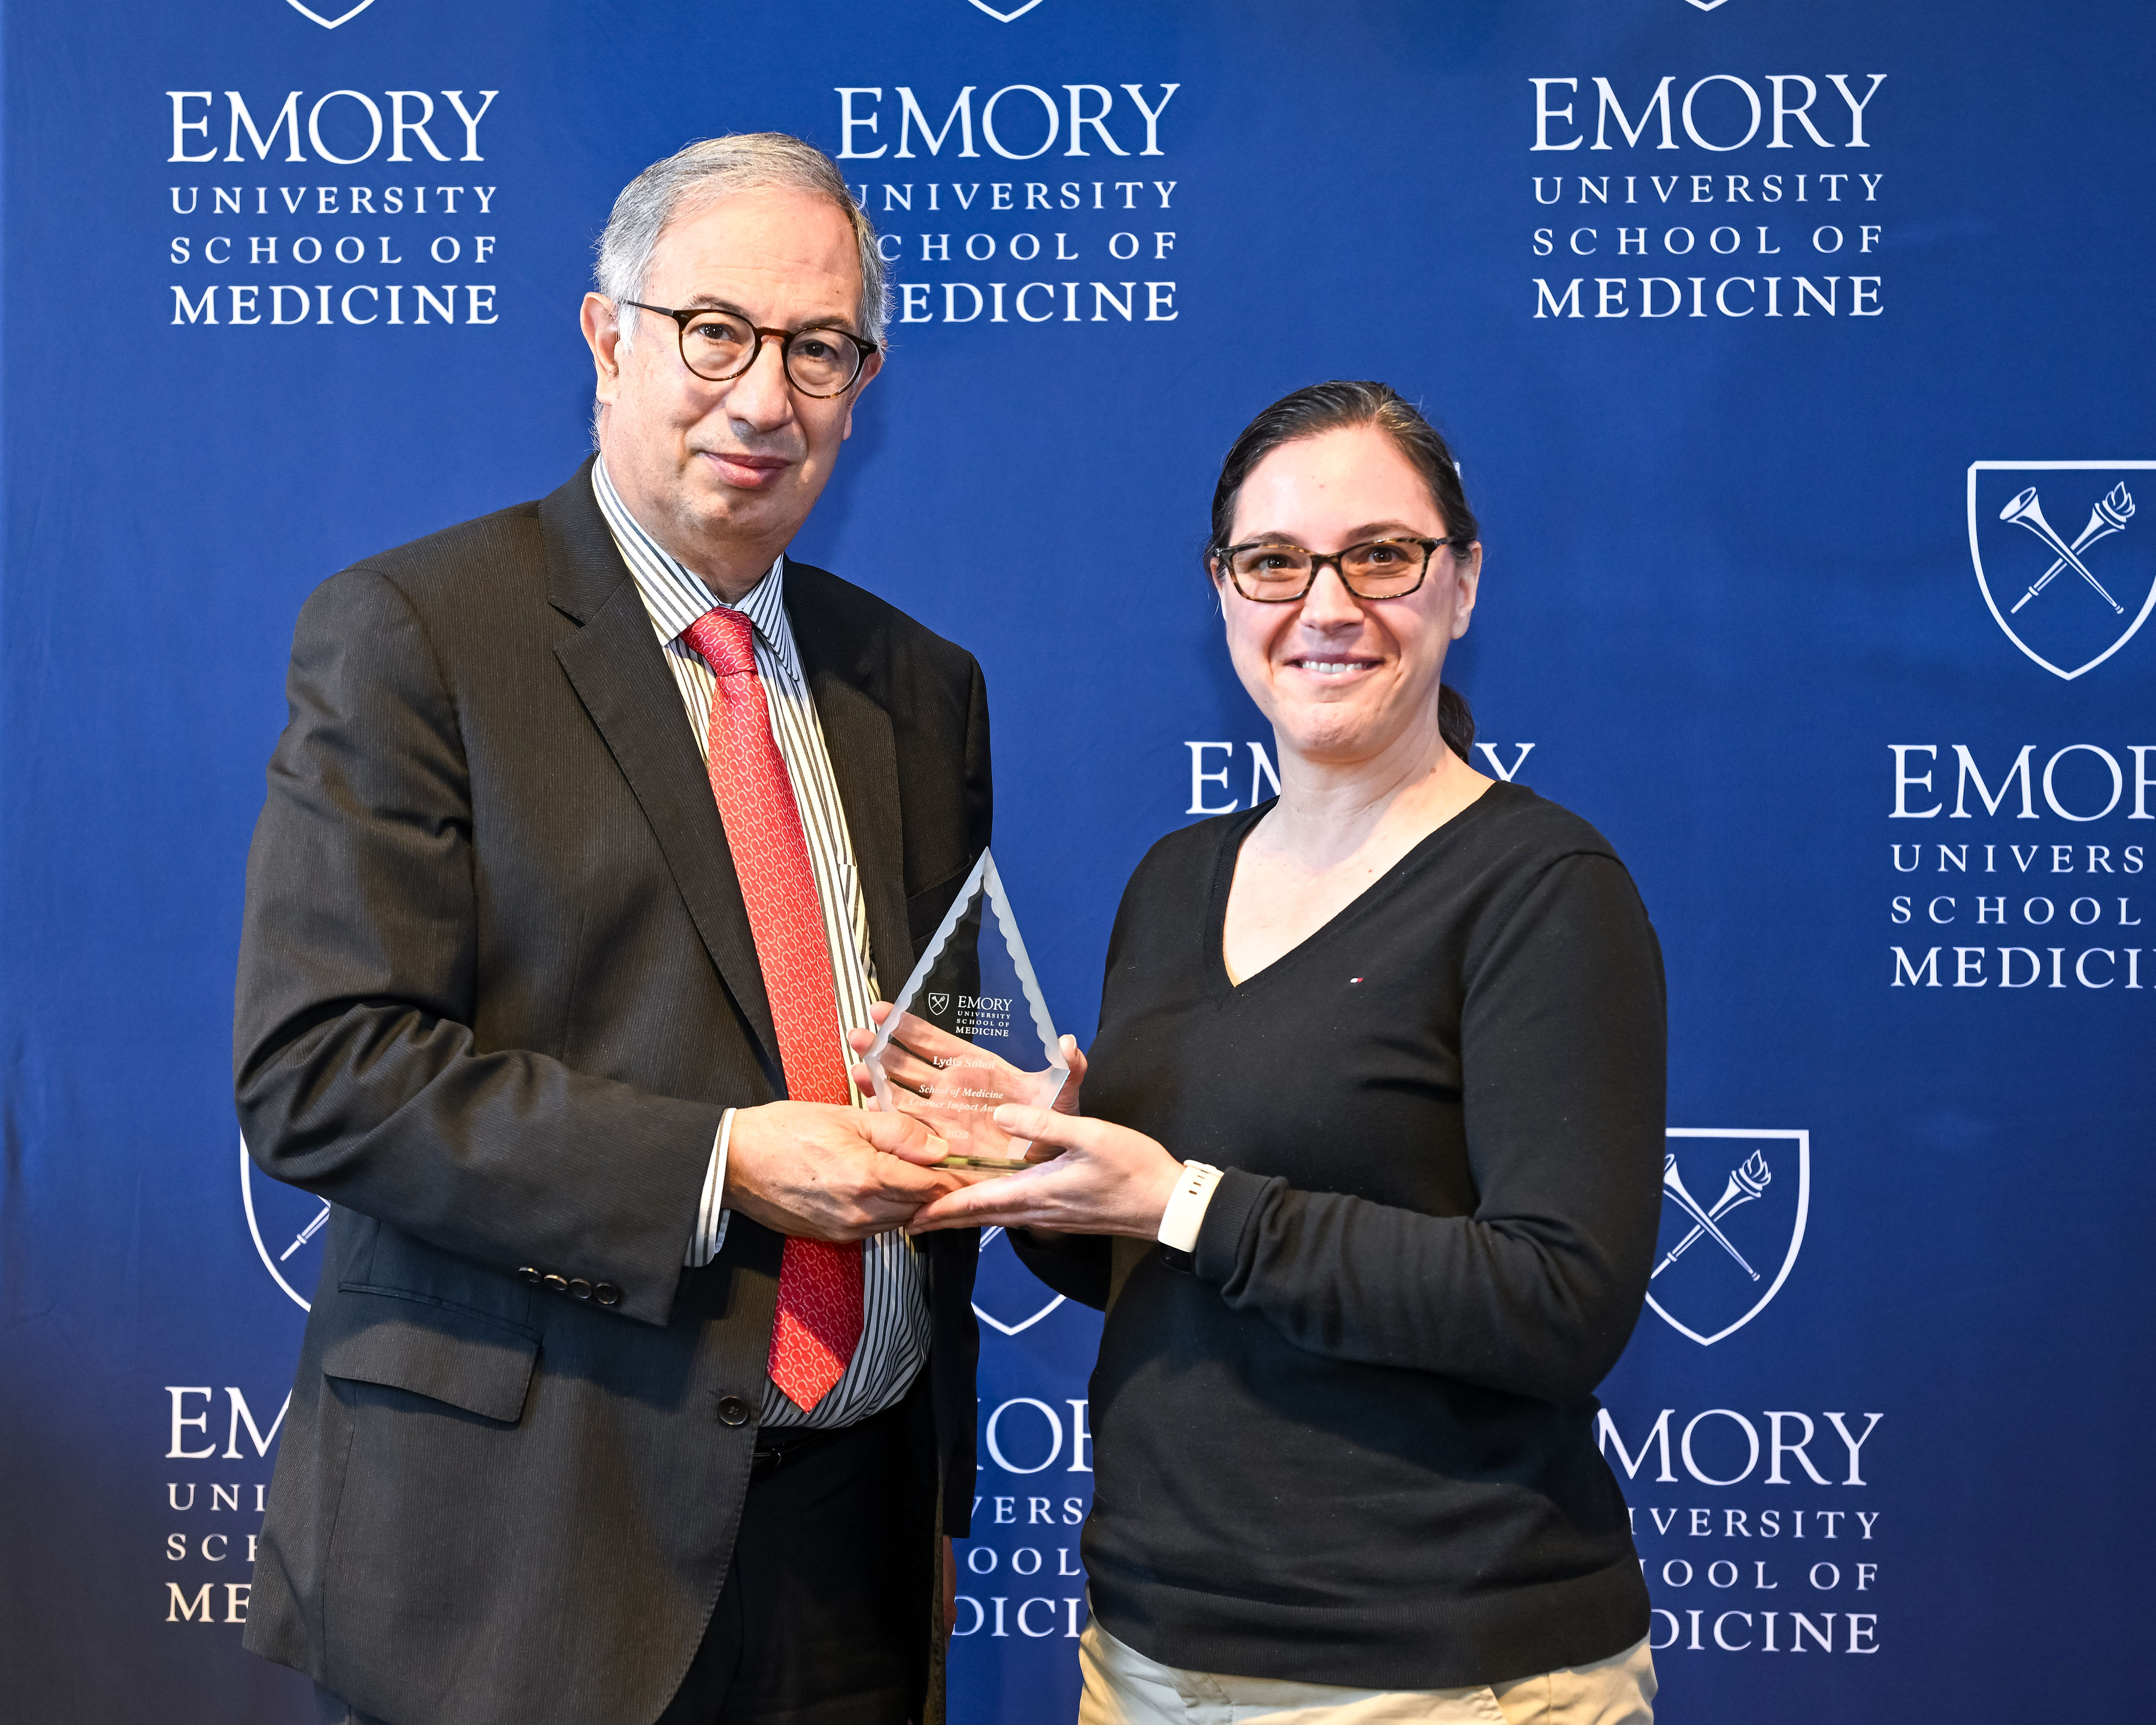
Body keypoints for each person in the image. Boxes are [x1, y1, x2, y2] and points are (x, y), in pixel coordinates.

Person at [234, 134, 992, 1725]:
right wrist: (723, 1165)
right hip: (529, 1555)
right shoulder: (419, 631)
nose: (765, 395)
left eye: (820, 349)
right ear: (606, 335)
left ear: (865, 384)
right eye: (715, 330)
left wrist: (1000, 1127)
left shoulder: (922, 686)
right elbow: (325, 1070)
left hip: (852, 1537)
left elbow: (929, 1054)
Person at [888, 382, 1667, 1723]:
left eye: (1381, 554)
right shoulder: (1177, 877)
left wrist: (1182, 1198)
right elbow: (1155, 1268)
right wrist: (1047, 1169)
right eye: (1274, 563)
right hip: (1145, 1656)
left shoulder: (1543, 886)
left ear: (1463, 582)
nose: (1326, 604)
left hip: (1437, 1670)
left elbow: (1558, 1304)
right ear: (1224, 591)